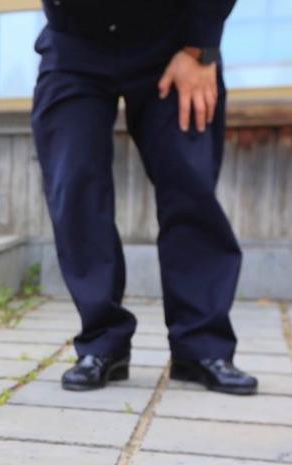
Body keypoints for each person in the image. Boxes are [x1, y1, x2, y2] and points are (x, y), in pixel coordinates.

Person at [32, 0, 258, 395]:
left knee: (190, 186)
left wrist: (200, 48)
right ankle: (104, 342)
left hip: (173, 40)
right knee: (75, 185)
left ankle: (200, 347)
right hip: (74, 43)